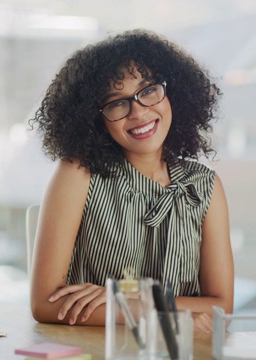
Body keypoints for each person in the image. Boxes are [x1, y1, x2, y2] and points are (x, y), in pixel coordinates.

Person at [28, 28, 234, 334]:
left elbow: (221, 307)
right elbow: (45, 303)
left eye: (148, 90)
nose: (138, 111)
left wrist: (124, 299)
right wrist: (169, 314)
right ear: (95, 118)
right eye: (116, 103)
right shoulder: (78, 173)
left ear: (173, 92)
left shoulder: (204, 186)